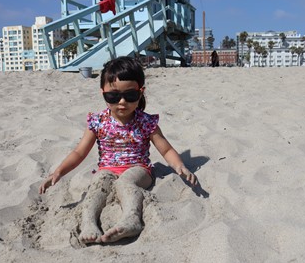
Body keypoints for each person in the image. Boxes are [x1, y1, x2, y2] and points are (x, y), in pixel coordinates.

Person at [39, 56, 197, 244]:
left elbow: (165, 149)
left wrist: (179, 166)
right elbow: (79, 152)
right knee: (97, 186)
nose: (122, 102)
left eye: (130, 96)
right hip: (107, 168)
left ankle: (132, 218)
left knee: (125, 183)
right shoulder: (97, 121)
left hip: (139, 168)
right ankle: (89, 222)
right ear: (103, 93)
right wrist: (58, 172)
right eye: (113, 96)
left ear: (141, 92)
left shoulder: (145, 122)